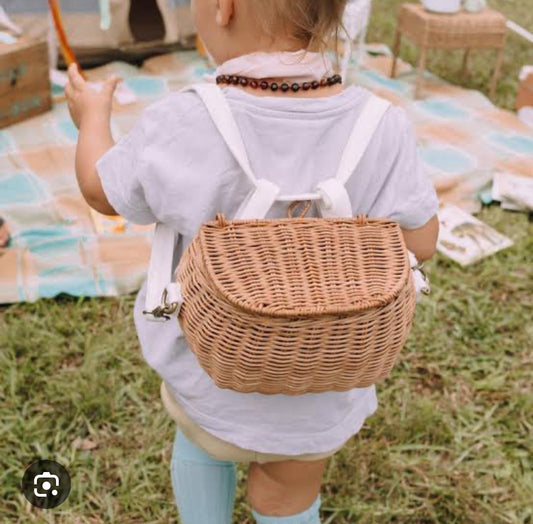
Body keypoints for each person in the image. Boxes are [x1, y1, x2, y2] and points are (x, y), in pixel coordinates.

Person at [65, 0, 440, 522]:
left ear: (223, 8)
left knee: (201, 447)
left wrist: (92, 116)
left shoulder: (184, 119)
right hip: (326, 384)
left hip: (209, 377)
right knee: (288, 494)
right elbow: (420, 243)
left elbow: (100, 189)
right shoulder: (382, 125)